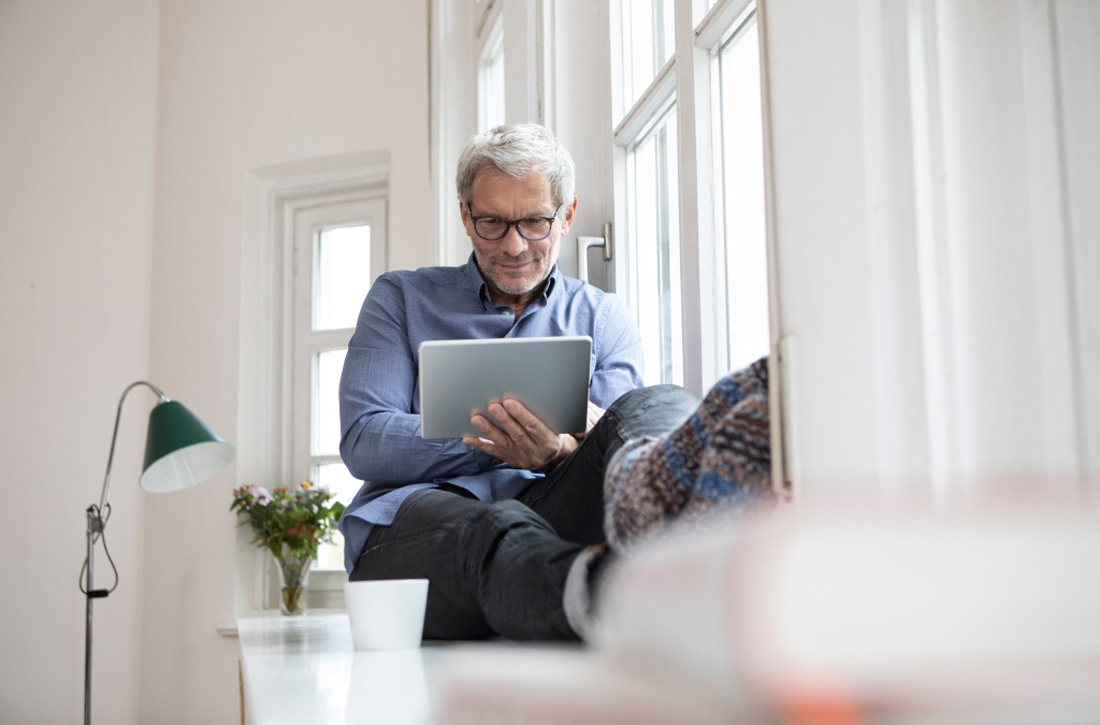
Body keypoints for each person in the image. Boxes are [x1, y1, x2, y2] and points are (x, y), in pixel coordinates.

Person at [338, 123, 699, 640]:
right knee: (492, 529)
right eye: (492, 223)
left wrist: (555, 454)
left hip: (555, 520)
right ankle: (622, 602)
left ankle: (684, 538)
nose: (513, 245)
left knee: (658, 402)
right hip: (420, 537)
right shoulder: (400, 299)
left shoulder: (603, 317)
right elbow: (365, 442)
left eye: (534, 222)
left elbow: (609, 444)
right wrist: (505, 444)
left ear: (567, 214)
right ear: (465, 215)